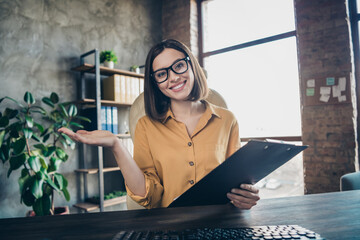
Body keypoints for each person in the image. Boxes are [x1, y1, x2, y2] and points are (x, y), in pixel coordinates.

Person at [59, 39, 260, 209]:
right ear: (155, 83)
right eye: (162, 74)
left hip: (220, 223)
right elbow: (149, 196)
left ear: (192, 66)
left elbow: (236, 182)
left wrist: (245, 196)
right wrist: (116, 145)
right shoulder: (146, 126)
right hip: (170, 227)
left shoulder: (227, 120)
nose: (173, 77)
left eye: (179, 66)